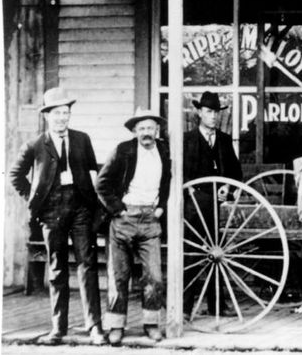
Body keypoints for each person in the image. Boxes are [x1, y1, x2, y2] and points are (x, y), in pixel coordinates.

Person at [8, 87, 106, 346]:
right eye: (57, 113)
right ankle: (58, 328)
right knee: (57, 268)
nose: (63, 118)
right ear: (47, 116)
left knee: (88, 264)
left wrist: (93, 202)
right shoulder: (36, 145)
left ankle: (94, 326)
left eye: (66, 112)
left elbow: (93, 171)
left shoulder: (82, 139)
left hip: (81, 209)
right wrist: (35, 198)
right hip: (52, 212)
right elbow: (15, 175)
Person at [95, 108, 171, 345]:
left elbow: (169, 180)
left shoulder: (165, 150)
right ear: (134, 131)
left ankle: (151, 324)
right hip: (124, 219)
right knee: (119, 276)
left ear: (156, 130)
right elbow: (101, 184)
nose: (146, 133)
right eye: (141, 128)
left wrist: (161, 208)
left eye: (150, 128)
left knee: (155, 276)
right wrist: (118, 209)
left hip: (151, 219)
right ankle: (116, 326)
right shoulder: (123, 150)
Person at [182, 91, 243, 319]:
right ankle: (185, 306)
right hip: (193, 203)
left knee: (217, 253)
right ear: (199, 113)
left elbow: (236, 173)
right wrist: (190, 190)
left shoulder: (225, 140)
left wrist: (228, 189)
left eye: (216, 112)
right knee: (191, 253)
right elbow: (178, 173)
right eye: (208, 111)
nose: (213, 116)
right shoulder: (187, 140)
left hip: (217, 205)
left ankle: (217, 305)